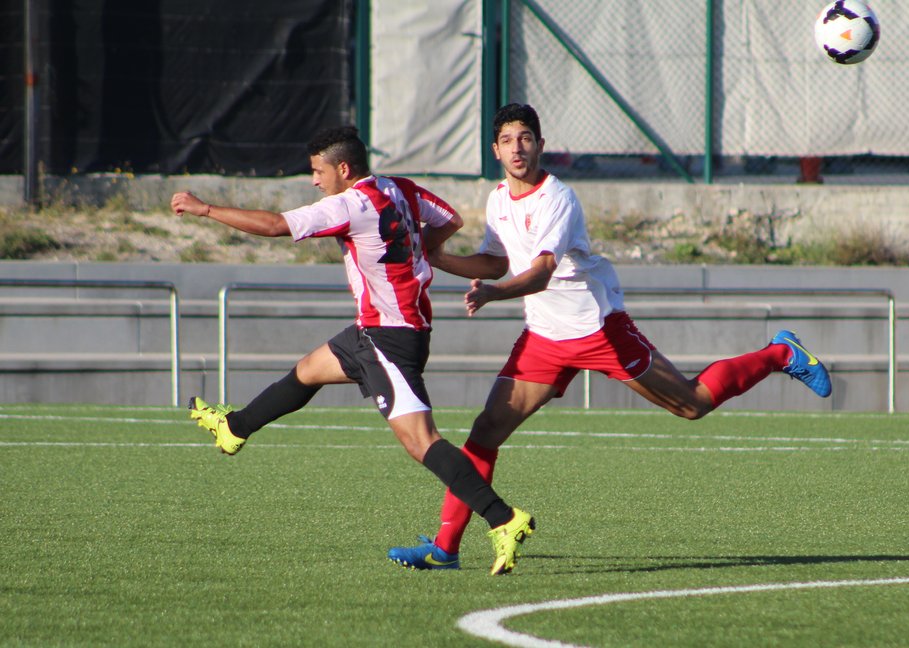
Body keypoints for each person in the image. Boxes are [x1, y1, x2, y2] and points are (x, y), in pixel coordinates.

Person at [387, 104, 832, 571]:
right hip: (544, 338)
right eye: (507, 140)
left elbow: (540, 272)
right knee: (484, 433)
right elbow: (496, 263)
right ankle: (446, 549)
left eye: (526, 138)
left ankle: (780, 353)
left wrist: (493, 294)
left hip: (597, 330)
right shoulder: (498, 199)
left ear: (540, 145)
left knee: (692, 404)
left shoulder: (557, 198)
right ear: (495, 150)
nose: (517, 148)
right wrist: (439, 258)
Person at [170, 126, 534, 576]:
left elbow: (275, 225)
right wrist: (419, 250)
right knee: (308, 371)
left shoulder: (348, 204)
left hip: (389, 339)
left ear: (343, 169)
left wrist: (205, 209)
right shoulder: (400, 188)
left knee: (422, 442)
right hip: (375, 331)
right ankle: (235, 427)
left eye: (318, 171)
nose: (314, 180)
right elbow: (451, 219)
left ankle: (503, 518)